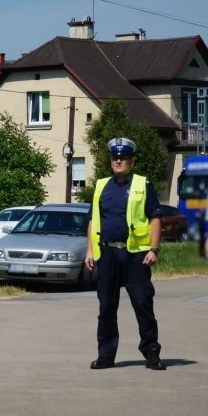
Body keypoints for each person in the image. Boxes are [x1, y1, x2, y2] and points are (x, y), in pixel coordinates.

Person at [84, 137, 166, 371]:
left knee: (142, 304)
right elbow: (92, 220)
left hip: (136, 256)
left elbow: (155, 218)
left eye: (124, 158)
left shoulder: (142, 184)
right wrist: (90, 250)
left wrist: (154, 249)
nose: (119, 161)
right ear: (111, 161)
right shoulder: (101, 186)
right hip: (107, 253)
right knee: (106, 307)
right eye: (115, 158)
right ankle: (106, 356)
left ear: (132, 161)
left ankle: (151, 353)